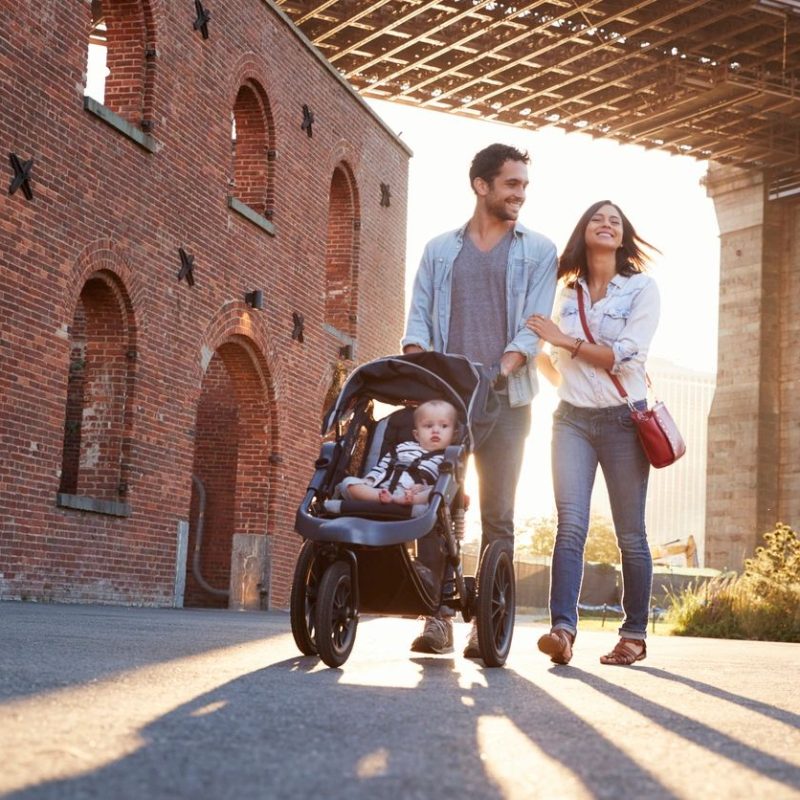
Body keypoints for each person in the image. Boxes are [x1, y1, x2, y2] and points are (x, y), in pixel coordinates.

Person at [402, 143, 558, 655]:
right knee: (437, 503)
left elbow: (533, 328)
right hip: (446, 399)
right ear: (482, 185)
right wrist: (423, 365)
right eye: (512, 184)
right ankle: (437, 618)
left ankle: (486, 624)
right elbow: (418, 319)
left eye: (525, 186)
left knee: (498, 512)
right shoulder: (439, 250)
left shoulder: (539, 251)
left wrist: (500, 369)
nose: (521, 195)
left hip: (506, 399)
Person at [527, 200, 660, 666]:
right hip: (571, 420)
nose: (605, 224)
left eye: (615, 221)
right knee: (570, 527)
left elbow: (623, 355)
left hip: (624, 421)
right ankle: (562, 630)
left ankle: (634, 635)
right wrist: (563, 377)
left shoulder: (641, 289)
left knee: (631, 535)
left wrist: (564, 342)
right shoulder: (565, 292)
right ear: (584, 231)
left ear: (623, 237)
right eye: (596, 219)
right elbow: (543, 354)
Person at [340, 399, 458, 506]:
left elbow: (442, 482)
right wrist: (369, 481)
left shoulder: (447, 458)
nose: (436, 430)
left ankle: (407, 501)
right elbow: (381, 467)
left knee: (439, 491)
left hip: (413, 494)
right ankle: (382, 499)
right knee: (348, 483)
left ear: (453, 436)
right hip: (382, 490)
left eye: (443, 426)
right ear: (416, 435)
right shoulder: (402, 447)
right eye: (428, 426)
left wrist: (423, 488)